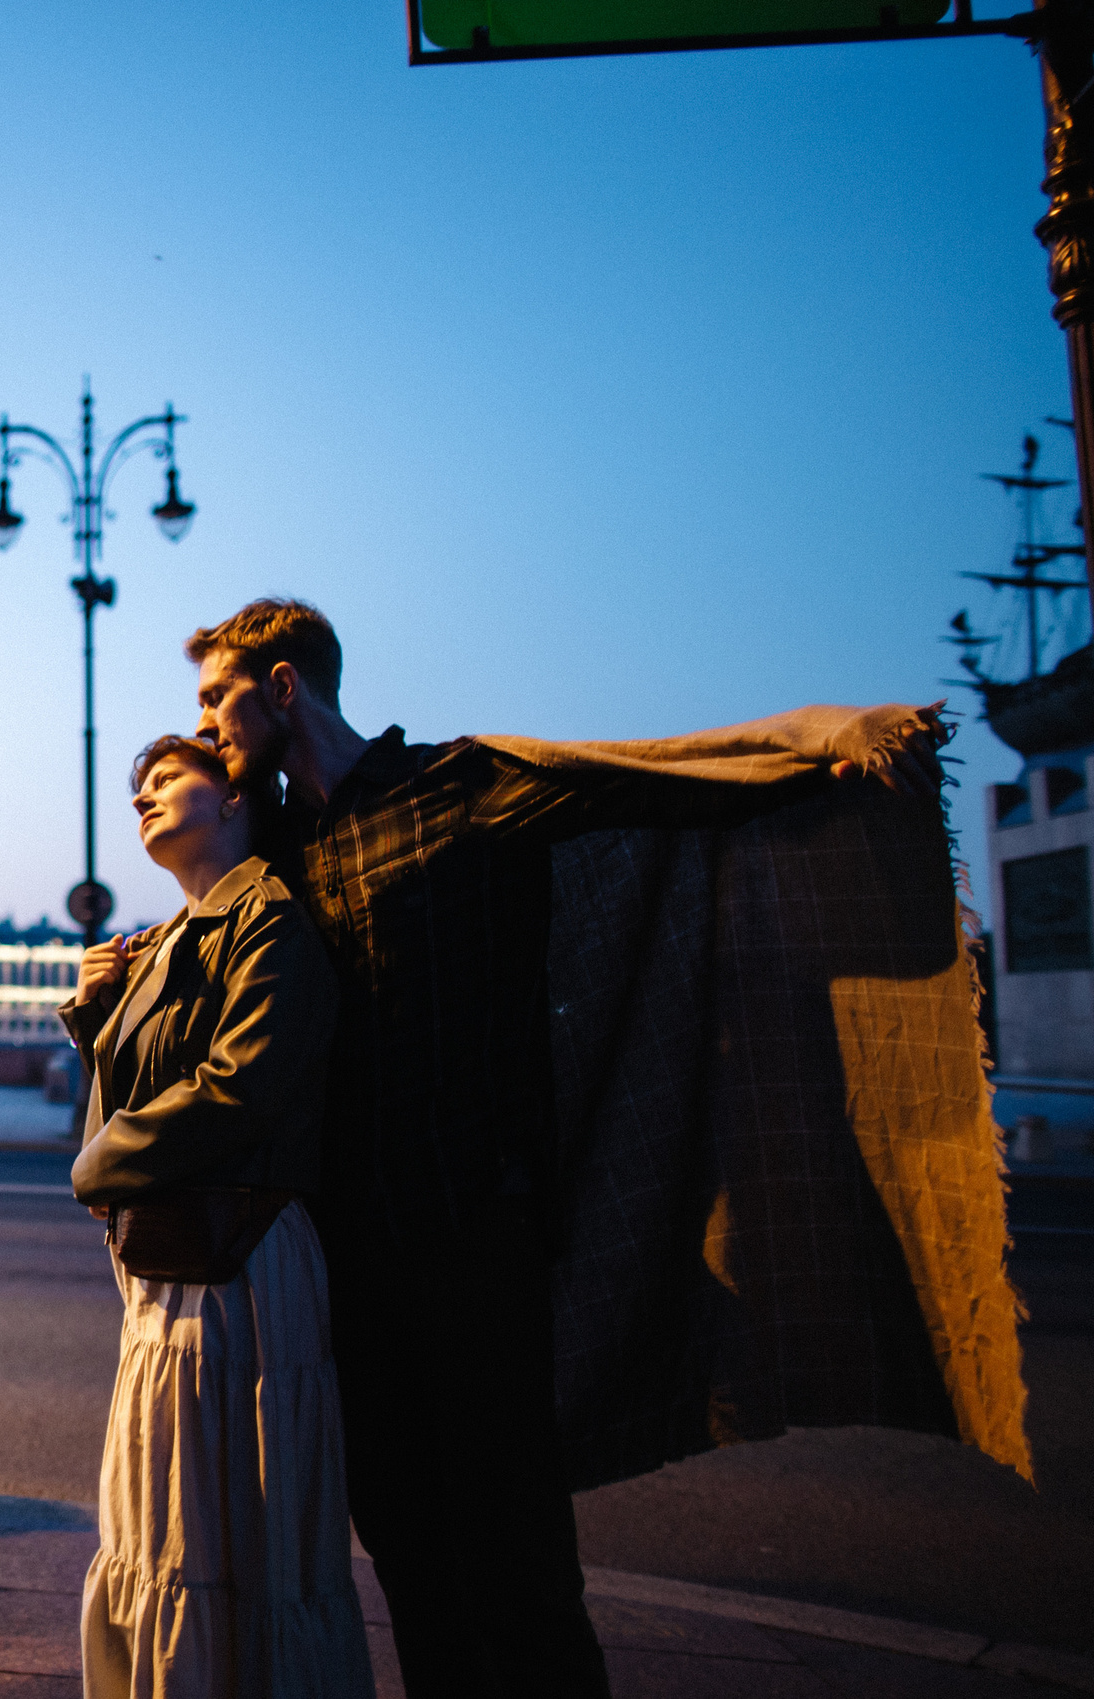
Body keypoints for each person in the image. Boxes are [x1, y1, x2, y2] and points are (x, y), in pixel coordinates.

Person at [184, 597, 947, 1699]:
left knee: (518, 1570)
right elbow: (207, 962)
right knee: (407, 1553)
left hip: (476, 1253)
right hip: (350, 1265)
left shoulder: (460, 785)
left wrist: (826, 737)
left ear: (284, 684)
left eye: (216, 694)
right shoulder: (278, 856)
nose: (205, 720)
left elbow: (647, 774)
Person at [61, 733, 373, 1699]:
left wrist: (95, 1166)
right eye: (136, 790)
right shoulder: (165, 940)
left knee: (227, 1525)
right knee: (167, 1518)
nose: (143, 798)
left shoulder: (270, 921)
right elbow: (132, 1102)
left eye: (166, 779)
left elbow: (239, 1087)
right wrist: (93, 1020)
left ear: (234, 795)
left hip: (242, 1268)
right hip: (173, 1272)